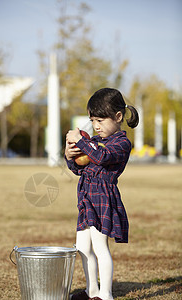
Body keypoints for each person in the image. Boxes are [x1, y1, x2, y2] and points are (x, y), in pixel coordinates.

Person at [65, 88, 139, 300]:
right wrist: (70, 155)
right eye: (93, 120)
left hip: (102, 198)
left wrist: (81, 141)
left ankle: (106, 295)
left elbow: (102, 156)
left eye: (100, 120)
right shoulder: (96, 142)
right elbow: (79, 169)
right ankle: (92, 291)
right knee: (82, 247)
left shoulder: (121, 143)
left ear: (118, 117)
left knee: (100, 246)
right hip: (87, 197)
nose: (96, 126)